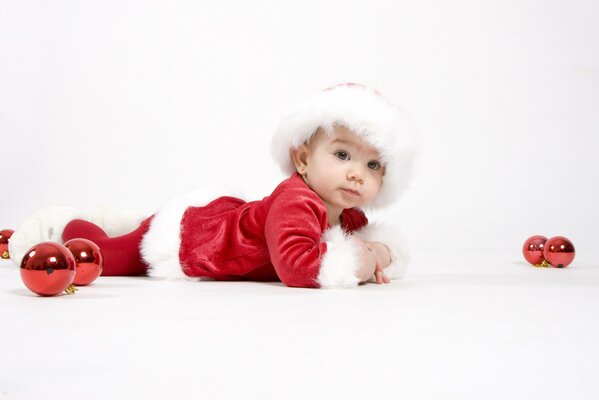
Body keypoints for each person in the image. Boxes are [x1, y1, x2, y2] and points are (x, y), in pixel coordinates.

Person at [9, 83, 417, 289]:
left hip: (224, 216)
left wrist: (379, 248)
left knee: (135, 234)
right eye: (342, 155)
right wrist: (361, 262)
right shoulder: (298, 200)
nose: (356, 174)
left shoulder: (348, 213)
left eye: (373, 164)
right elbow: (297, 266)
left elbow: (360, 241)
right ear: (303, 159)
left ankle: (128, 222)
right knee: (112, 258)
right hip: (193, 240)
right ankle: (74, 227)